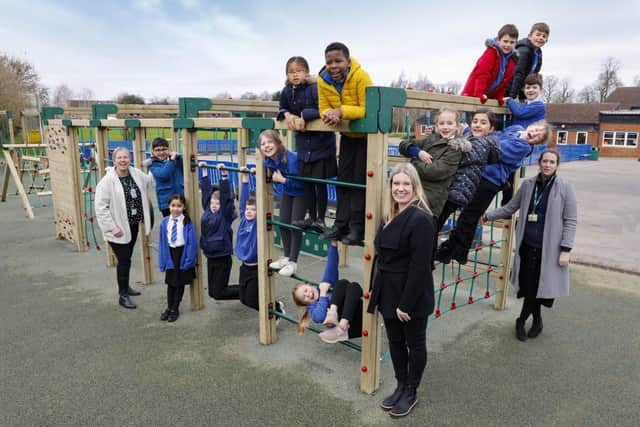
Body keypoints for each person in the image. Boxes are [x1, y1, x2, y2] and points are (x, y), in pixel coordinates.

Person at [483, 149, 576, 341]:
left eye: (552, 162)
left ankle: (521, 319)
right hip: (527, 246)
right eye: (544, 161)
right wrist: (486, 216)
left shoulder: (565, 188)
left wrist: (566, 249)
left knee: (539, 288)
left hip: (549, 249)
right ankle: (537, 320)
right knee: (529, 286)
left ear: (557, 165)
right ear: (539, 162)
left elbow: (570, 220)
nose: (547, 165)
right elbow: (510, 208)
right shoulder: (527, 185)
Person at [367, 163, 436, 418]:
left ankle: (411, 390)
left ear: (415, 187)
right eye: (396, 184)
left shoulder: (421, 219)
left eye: (406, 184)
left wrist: (406, 304)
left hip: (411, 294)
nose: (400, 189)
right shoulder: (389, 215)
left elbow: (420, 267)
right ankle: (400, 384)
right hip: (388, 290)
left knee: (414, 343)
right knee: (395, 341)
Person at [436, 121, 551, 265]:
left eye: (538, 136)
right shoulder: (516, 128)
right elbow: (494, 136)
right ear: (531, 126)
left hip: (491, 181)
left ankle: (452, 251)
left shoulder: (524, 146)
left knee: (470, 215)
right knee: (464, 211)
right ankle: (458, 252)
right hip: (479, 175)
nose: (534, 134)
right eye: (536, 129)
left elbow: (497, 151)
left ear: (537, 143)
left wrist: (477, 139)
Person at [318, 41, 374, 245]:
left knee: (359, 182)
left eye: (338, 61)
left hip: (367, 138)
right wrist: (328, 115)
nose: (333, 66)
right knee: (343, 181)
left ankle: (357, 228)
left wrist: (340, 112)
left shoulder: (361, 76)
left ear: (347, 61)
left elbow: (366, 109)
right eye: (329, 62)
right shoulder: (323, 81)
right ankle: (340, 225)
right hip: (348, 135)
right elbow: (323, 106)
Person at [277, 56, 337, 234]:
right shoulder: (287, 91)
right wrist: (288, 115)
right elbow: (281, 108)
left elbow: (322, 109)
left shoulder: (314, 87)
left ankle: (320, 219)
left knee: (320, 183)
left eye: (298, 71)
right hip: (304, 145)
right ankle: (310, 216)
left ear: (306, 72)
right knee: (308, 183)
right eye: (291, 72)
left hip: (321, 143)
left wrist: (303, 115)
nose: (295, 75)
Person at [95, 146, 153, 309]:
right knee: (124, 260)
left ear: (130, 159)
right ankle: (123, 295)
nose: (123, 160)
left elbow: (149, 181)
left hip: (132, 224)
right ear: (114, 161)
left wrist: (153, 163)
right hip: (118, 228)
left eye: (126, 157)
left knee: (127, 257)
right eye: (119, 158)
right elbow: (100, 208)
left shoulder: (134, 173)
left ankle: (126, 287)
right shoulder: (107, 181)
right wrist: (112, 228)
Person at [398, 107, 471, 220]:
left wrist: (412, 163)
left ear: (457, 126)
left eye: (450, 123)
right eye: (441, 123)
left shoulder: (455, 148)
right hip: (414, 192)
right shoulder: (432, 139)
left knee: (419, 233)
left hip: (429, 199)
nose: (445, 127)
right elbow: (403, 145)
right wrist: (418, 152)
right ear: (436, 126)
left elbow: (436, 171)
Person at [437, 109, 501, 233]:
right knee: (436, 222)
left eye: (483, 123)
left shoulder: (484, 143)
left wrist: (446, 143)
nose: (477, 125)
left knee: (435, 222)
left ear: (491, 129)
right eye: (475, 121)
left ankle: (429, 250)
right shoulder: (470, 138)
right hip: (458, 188)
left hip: (457, 189)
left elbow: (461, 158)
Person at [235, 167, 285, 316]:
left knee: (251, 299)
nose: (249, 211)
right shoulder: (244, 219)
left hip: (256, 268)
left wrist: (259, 177)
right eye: (247, 209)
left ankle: (275, 309)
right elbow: (243, 199)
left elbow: (262, 200)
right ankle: (275, 306)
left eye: (253, 209)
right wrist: (244, 177)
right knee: (243, 299)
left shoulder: (258, 224)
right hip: (244, 266)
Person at [292, 241, 362, 343]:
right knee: (342, 286)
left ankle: (336, 317)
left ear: (310, 285)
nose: (307, 294)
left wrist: (333, 245)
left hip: (357, 314)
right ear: (305, 304)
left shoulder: (323, 286)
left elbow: (331, 266)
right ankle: (340, 324)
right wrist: (323, 295)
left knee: (346, 284)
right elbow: (319, 317)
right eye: (304, 297)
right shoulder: (313, 309)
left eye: (306, 290)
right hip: (352, 327)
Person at [259, 130, 305, 277]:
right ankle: (286, 256)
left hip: (302, 193)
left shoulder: (291, 159)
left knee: (294, 225)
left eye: (269, 142)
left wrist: (283, 180)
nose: (266, 146)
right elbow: (269, 168)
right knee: (283, 223)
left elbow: (303, 184)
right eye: (263, 144)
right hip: (288, 192)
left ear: (278, 143)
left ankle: (293, 261)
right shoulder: (269, 161)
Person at [199, 162, 239, 300]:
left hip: (222, 256)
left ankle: (249, 291)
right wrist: (204, 171)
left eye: (218, 203)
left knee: (219, 292)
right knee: (213, 293)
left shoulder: (225, 215)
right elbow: (205, 192)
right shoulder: (207, 210)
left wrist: (224, 176)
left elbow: (226, 197)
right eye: (212, 203)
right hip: (210, 256)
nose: (214, 206)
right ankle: (248, 290)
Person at [158, 194, 197, 322]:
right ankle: (169, 307)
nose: (176, 209)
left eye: (179, 206)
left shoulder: (187, 222)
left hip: (182, 255)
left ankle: (175, 308)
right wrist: (163, 260)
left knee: (179, 283)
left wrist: (189, 260)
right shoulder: (164, 222)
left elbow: (192, 243)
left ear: (183, 207)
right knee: (170, 283)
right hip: (170, 255)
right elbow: (162, 242)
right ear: (169, 206)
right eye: (173, 206)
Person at [461, 24, 519, 103]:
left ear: (516, 43)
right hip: (473, 93)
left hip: (489, 97)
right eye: (505, 41)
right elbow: (482, 73)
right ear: (498, 40)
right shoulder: (491, 52)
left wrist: (499, 97)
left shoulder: (512, 60)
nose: (508, 45)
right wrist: (479, 93)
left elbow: (504, 82)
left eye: (512, 42)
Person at [506, 22, 550, 100]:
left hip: (521, 90)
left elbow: (533, 76)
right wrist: (512, 97)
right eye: (538, 35)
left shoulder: (537, 53)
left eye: (544, 36)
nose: (541, 38)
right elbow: (518, 74)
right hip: (509, 89)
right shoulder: (524, 51)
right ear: (530, 36)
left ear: (546, 40)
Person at [144, 137, 184, 217]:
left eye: (164, 149)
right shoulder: (153, 164)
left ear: (168, 150)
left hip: (180, 199)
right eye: (158, 150)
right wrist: (172, 160)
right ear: (152, 151)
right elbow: (163, 175)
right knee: (170, 226)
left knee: (183, 225)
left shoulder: (174, 160)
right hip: (167, 203)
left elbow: (185, 167)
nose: (161, 152)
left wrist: (178, 158)